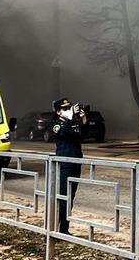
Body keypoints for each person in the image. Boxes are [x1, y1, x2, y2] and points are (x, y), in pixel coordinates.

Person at [51, 97, 87, 236]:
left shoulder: (73, 123)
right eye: (65, 109)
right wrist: (70, 118)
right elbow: (62, 134)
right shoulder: (56, 124)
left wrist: (83, 119)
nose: (67, 111)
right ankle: (55, 227)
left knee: (70, 196)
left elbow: (83, 135)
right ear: (59, 112)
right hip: (64, 163)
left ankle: (64, 229)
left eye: (69, 108)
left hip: (76, 162)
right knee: (63, 197)